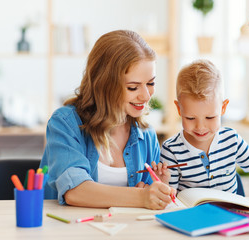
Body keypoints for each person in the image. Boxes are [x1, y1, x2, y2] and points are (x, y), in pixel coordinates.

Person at [40, 30, 175, 209]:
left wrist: (159, 191)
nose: (145, 96)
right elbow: (75, 191)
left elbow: (150, 194)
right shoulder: (65, 123)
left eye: (150, 83)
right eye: (133, 87)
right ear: (104, 85)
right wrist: (141, 197)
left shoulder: (146, 134)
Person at [158, 59, 249, 203]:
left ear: (223, 108)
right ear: (179, 109)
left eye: (210, 117)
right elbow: (169, 198)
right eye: (191, 118)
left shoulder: (231, 139)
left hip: (231, 214)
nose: (200, 127)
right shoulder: (171, 150)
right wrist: (163, 183)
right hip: (193, 218)